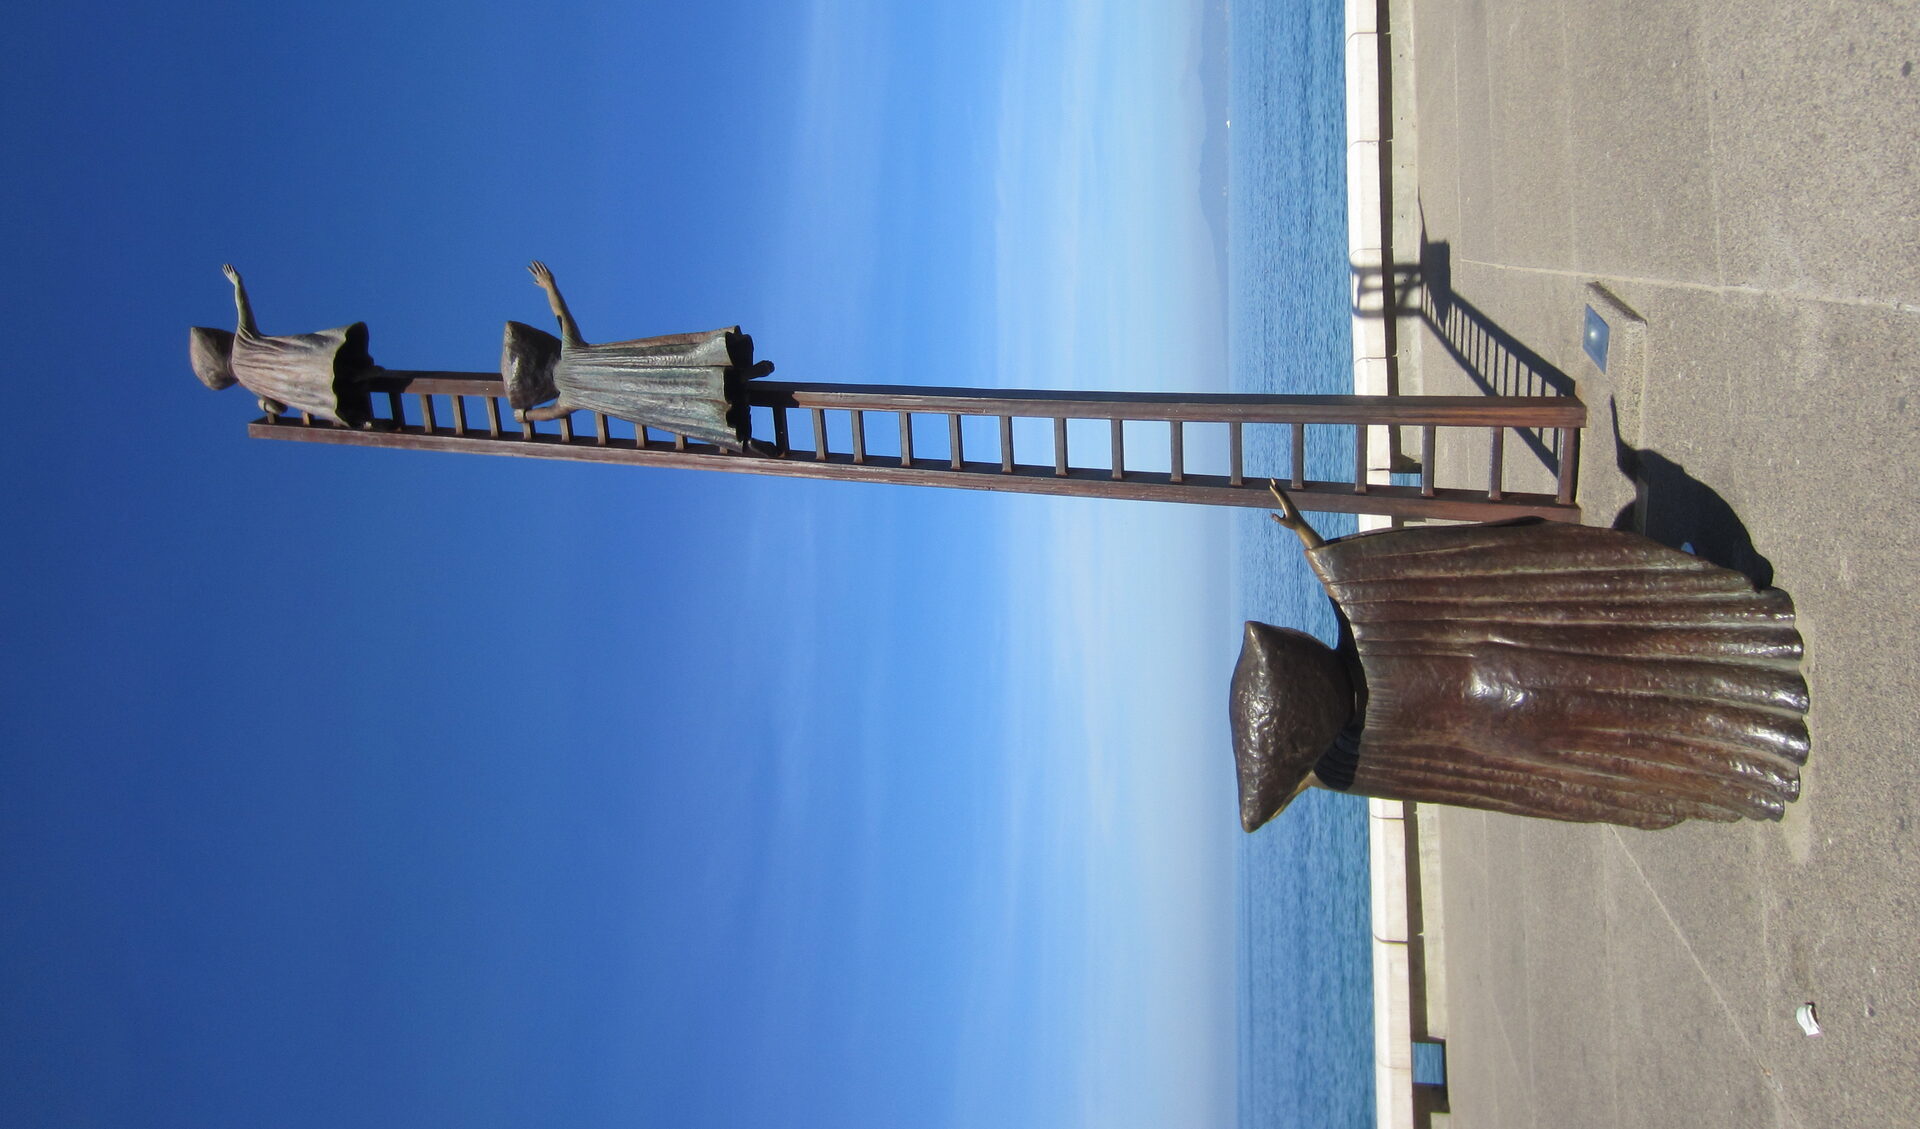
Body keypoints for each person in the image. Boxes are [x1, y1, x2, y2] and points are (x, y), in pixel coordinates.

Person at [500, 260, 775, 452]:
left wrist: (527, 416)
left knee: (678, 411)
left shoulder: (568, 398)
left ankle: (744, 440)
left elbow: (550, 414)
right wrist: (550, 286)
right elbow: (561, 316)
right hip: (647, 368)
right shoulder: (570, 351)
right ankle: (740, 374)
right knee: (687, 368)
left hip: (639, 403)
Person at [189, 265, 381, 427]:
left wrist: (262, 406)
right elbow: (243, 308)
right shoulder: (242, 343)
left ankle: (358, 391)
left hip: (308, 387)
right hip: (303, 358)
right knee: (329, 362)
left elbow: (278, 408)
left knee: (327, 385)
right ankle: (358, 373)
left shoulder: (248, 382)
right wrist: (237, 283)